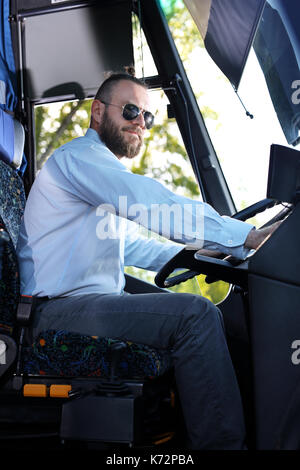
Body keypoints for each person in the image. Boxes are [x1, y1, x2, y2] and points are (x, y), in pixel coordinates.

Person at [17, 70, 279, 450]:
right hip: (54, 312)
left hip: (85, 304)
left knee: (199, 312)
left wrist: (197, 254)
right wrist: (244, 236)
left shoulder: (95, 173)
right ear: (97, 112)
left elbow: (127, 247)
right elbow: (147, 202)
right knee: (196, 316)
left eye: (147, 116)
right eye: (130, 110)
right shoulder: (78, 158)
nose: (141, 122)